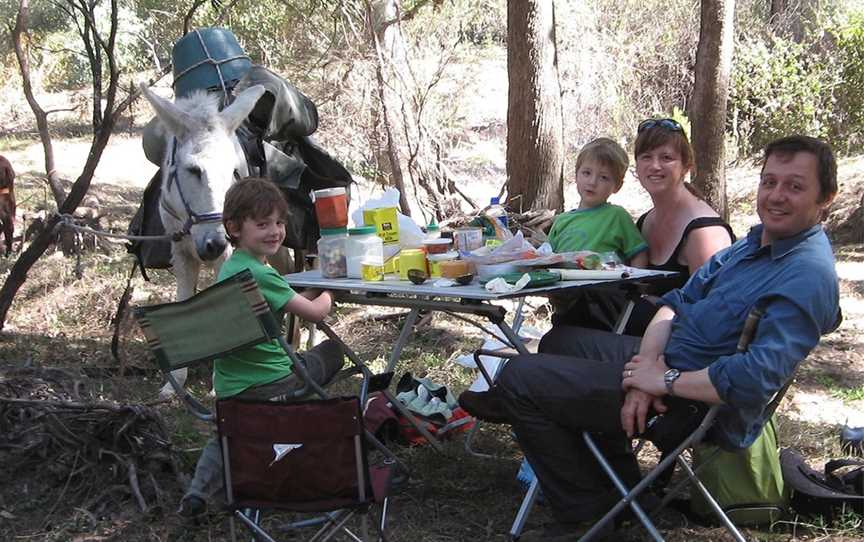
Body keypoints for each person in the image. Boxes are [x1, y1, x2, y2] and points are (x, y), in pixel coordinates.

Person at [460, 135, 840, 541]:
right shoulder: (752, 244)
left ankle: (588, 516)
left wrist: (661, 381)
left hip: (695, 402)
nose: (776, 196)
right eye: (769, 182)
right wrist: (649, 364)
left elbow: (751, 381)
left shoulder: (806, 274)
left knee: (521, 376)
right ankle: (623, 492)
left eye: (795, 186)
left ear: (826, 198)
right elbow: (674, 303)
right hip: (669, 363)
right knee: (560, 340)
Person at [178, 177, 345, 517]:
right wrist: (333, 286)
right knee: (331, 353)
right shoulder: (262, 275)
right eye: (263, 223)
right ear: (234, 227)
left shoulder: (231, 270)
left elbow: (289, 300)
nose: (275, 231)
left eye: (280, 222)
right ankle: (298, 451)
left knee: (225, 434)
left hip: (230, 390)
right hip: (274, 385)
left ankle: (197, 494)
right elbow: (315, 312)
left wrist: (309, 294)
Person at [542, 118, 735, 338]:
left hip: (676, 350)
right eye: (646, 157)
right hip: (629, 333)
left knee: (556, 342)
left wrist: (656, 307)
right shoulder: (645, 221)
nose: (655, 165)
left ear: (686, 166)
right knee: (558, 338)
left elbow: (713, 316)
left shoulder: (705, 233)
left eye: (667, 158)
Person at [546, 137, 648, 326]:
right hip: (564, 300)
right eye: (586, 173)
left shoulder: (617, 216)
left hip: (602, 302)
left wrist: (635, 286)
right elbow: (547, 257)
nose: (592, 182)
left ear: (616, 186)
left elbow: (639, 253)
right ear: (576, 175)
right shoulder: (561, 221)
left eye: (604, 177)